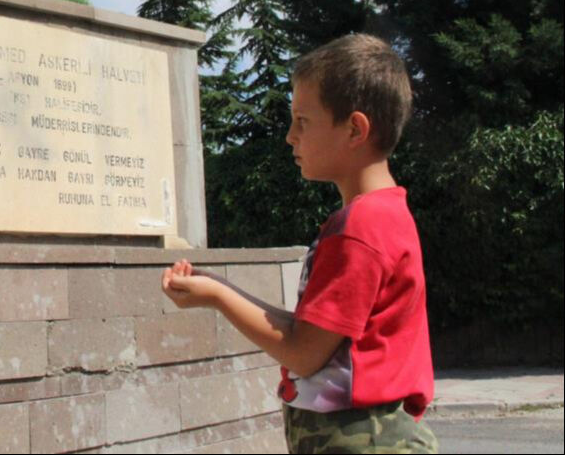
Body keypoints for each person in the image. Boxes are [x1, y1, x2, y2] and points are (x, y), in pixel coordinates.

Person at [162, 34, 438, 454]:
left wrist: (218, 297)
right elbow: (311, 333)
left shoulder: (362, 227)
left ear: (355, 128)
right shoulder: (379, 216)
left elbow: (304, 353)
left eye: (302, 121)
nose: (291, 136)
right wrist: (219, 287)